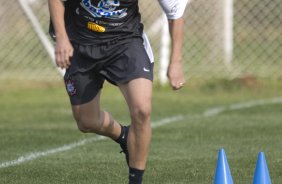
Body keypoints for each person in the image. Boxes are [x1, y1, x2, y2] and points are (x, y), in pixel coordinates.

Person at [48, 0, 188, 183]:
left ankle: (135, 180)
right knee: (86, 122)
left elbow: (175, 14)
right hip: (81, 43)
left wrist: (175, 62)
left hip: (125, 42)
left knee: (142, 110)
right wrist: (61, 38)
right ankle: (123, 135)